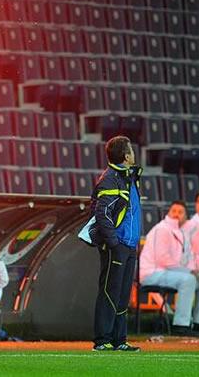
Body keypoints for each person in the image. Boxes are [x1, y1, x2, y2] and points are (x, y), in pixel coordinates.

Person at [86, 136, 142, 352]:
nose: (134, 155)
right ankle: (102, 339)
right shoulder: (111, 178)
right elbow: (102, 213)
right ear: (127, 156)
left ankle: (119, 339)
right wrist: (113, 242)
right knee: (110, 291)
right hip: (117, 245)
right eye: (132, 151)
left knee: (122, 294)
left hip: (128, 244)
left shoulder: (127, 177)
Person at [139, 201, 199, 336]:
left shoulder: (181, 232)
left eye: (180, 212)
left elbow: (187, 258)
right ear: (168, 213)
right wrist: (189, 271)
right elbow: (163, 259)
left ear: (185, 216)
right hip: (151, 273)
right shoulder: (162, 229)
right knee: (188, 280)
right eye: (174, 211)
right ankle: (181, 326)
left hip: (165, 272)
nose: (177, 214)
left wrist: (193, 270)